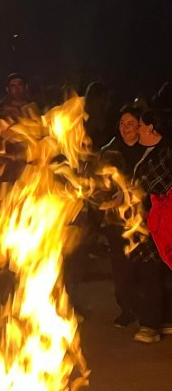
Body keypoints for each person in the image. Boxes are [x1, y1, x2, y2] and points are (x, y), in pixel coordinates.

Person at [127, 109, 172, 343]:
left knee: (150, 272)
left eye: (140, 126)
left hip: (157, 222)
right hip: (149, 221)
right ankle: (163, 319)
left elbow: (152, 186)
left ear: (152, 129)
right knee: (156, 271)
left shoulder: (164, 154)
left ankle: (150, 325)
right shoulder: (149, 152)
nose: (137, 131)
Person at [100, 106, 146, 328]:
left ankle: (146, 307)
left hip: (142, 217)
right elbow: (100, 184)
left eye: (131, 124)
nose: (126, 129)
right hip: (116, 219)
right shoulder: (109, 151)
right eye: (122, 124)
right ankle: (126, 308)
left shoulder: (148, 149)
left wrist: (131, 192)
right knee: (120, 264)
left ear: (139, 125)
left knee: (144, 264)